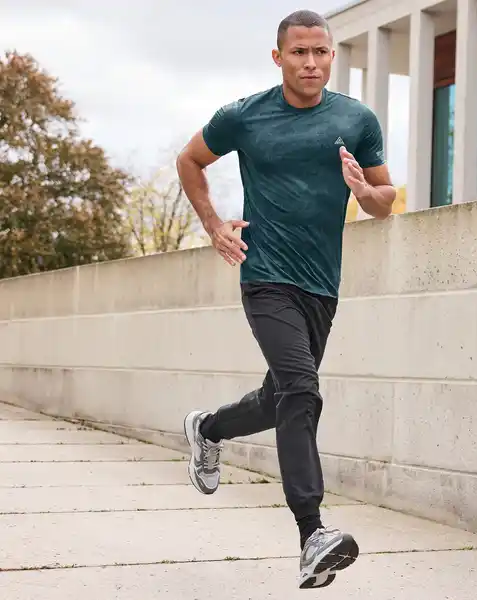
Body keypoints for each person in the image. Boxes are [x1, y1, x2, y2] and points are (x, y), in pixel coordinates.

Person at [176, 9, 396, 590]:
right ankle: (312, 534)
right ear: (279, 58)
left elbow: (385, 201)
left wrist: (364, 190)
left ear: (331, 55)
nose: (311, 63)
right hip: (266, 277)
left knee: (279, 399)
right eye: (299, 52)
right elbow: (189, 160)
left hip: (322, 285)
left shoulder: (356, 119)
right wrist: (214, 224)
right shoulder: (244, 116)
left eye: (320, 52)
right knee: (302, 390)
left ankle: (209, 428)